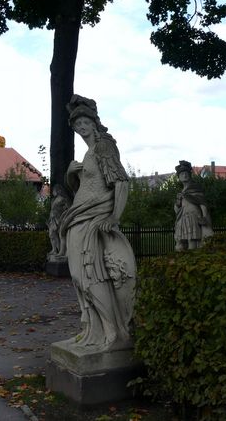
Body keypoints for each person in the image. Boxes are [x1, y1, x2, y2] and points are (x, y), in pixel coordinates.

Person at [58, 94, 136, 351]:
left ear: (94, 123)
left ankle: (113, 333)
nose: (80, 129)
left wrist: (114, 217)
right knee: (81, 278)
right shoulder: (89, 151)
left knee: (89, 276)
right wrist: (72, 175)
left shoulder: (103, 146)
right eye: (76, 126)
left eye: (84, 123)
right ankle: (92, 330)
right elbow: (85, 187)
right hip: (80, 216)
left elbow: (121, 182)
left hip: (93, 218)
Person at [174, 160, 213, 251]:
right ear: (179, 177)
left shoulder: (195, 188)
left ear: (189, 174)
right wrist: (177, 202)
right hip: (184, 218)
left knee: (193, 242)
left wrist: (204, 216)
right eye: (182, 174)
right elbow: (177, 210)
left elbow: (203, 204)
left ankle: (194, 260)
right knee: (184, 242)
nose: (184, 175)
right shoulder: (181, 193)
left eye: (186, 173)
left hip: (194, 217)